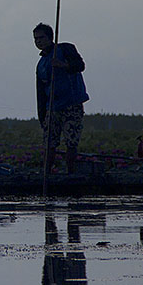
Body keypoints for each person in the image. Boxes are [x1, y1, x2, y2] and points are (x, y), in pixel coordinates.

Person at [33, 23, 89, 174]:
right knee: (49, 142)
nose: (39, 41)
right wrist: (42, 116)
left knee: (71, 141)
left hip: (71, 105)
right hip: (52, 108)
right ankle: (47, 173)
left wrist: (63, 65)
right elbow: (41, 93)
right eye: (36, 39)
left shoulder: (65, 49)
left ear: (50, 38)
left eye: (42, 38)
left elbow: (80, 66)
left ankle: (71, 173)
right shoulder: (41, 64)